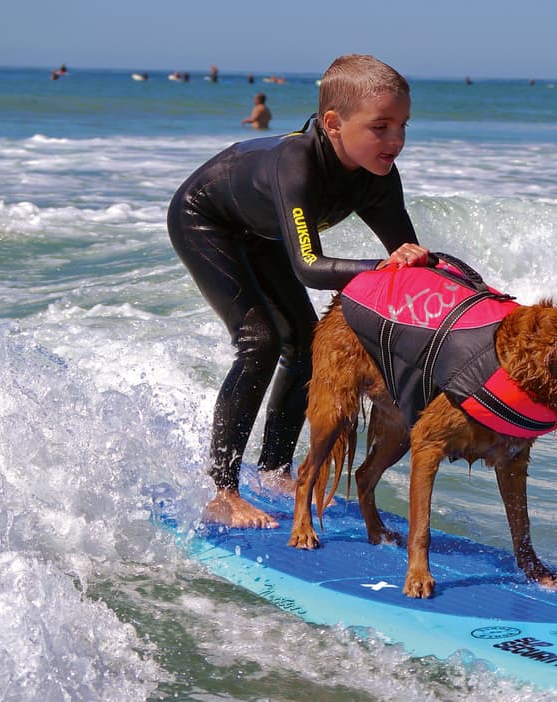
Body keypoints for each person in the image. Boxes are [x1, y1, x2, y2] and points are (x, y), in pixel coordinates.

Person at [167, 54, 431, 528]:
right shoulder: (296, 164)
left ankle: (272, 470)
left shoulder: (380, 179)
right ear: (333, 123)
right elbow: (310, 265)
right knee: (259, 342)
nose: (396, 140)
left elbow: (407, 260)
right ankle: (222, 491)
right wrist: (383, 266)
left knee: (306, 345)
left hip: (261, 231)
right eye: (381, 126)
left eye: (403, 125)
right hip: (206, 220)